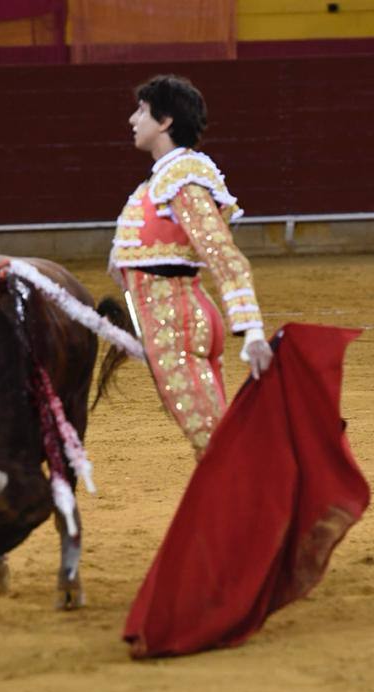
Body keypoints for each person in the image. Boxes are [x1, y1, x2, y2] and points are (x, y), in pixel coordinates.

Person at [108, 74, 272, 457]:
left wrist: (252, 330)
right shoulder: (165, 178)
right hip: (179, 318)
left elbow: (221, 252)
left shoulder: (182, 177)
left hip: (176, 326)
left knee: (219, 451)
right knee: (219, 446)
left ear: (165, 122)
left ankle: (266, 511)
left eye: (142, 111)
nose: (133, 119)